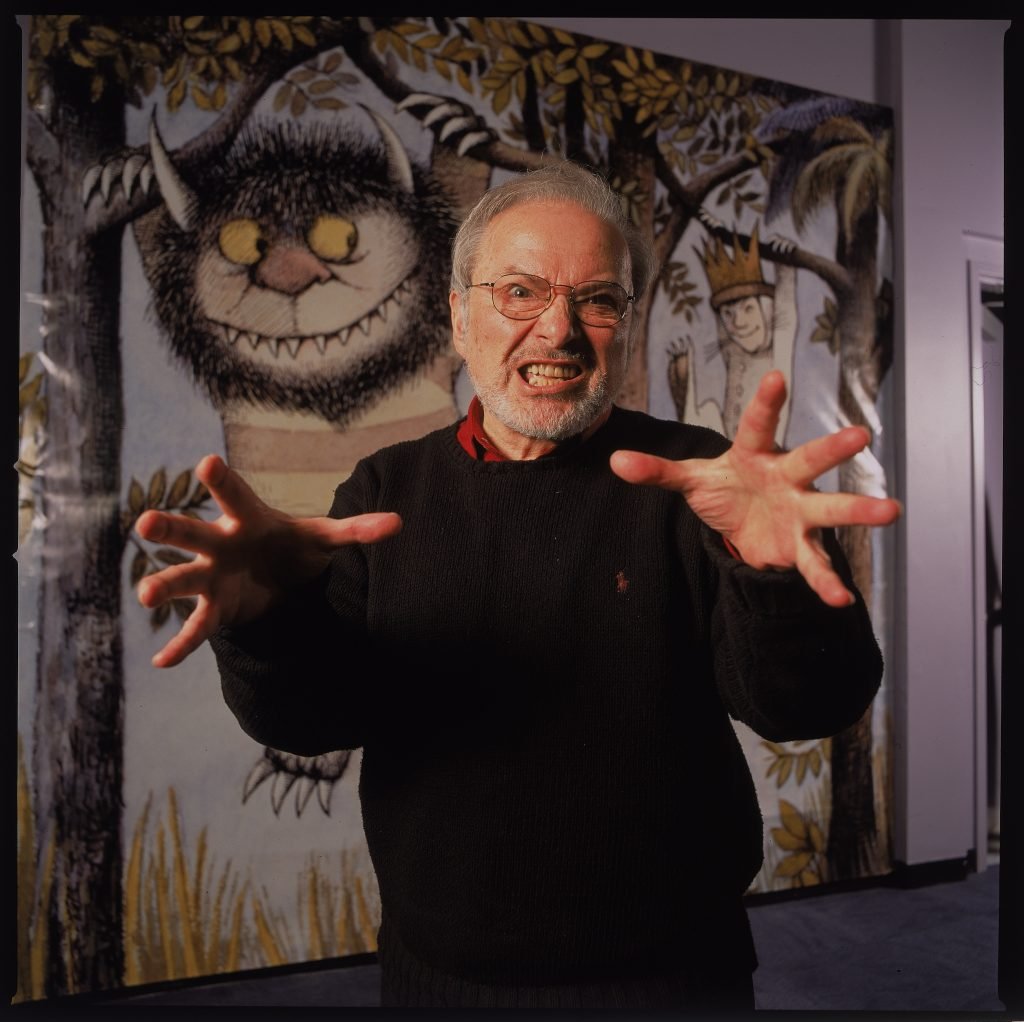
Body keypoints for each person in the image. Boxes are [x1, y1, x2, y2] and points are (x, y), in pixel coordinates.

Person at [136, 159, 901, 1012]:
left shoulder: (703, 482)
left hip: (678, 974)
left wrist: (774, 572)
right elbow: (312, 721)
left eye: (598, 300)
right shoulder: (386, 492)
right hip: (444, 977)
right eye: (520, 293)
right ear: (460, 318)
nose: (559, 330)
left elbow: (808, 707)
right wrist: (267, 623)